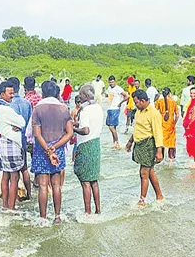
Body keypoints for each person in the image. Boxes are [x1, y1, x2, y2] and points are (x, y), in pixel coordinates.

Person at [31, 81, 74, 224]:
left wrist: (48, 150)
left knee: (43, 185)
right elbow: (69, 133)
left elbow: (37, 134)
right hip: (58, 149)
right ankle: (57, 216)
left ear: (43, 93)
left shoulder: (38, 108)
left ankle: (43, 218)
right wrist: (55, 147)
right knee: (56, 185)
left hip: (41, 149)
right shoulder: (64, 108)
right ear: (57, 93)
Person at [125, 90, 164, 206]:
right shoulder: (139, 111)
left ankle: (142, 200)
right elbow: (137, 128)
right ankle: (159, 196)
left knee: (143, 173)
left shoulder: (153, 113)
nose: (135, 104)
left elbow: (158, 133)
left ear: (143, 101)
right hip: (139, 144)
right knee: (150, 172)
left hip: (149, 144)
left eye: (136, 102)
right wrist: (130, 142)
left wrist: (159, 151)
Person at [0, 82, 26, 210]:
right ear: (3, 94)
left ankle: (5, 205)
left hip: (2, 143)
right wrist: (17, 125)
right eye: (10, 93)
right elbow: (22, 122)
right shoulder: (7, 109)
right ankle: (11, 207)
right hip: (11, 144)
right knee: (14, 177)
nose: (12, 95)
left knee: (5, 176)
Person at [73, 85, 103, 215]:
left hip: (85, 146)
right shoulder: (98, 107)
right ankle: (98, 210)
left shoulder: (85, 110)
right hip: (96, 144)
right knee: (94, 181)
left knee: (85, 182)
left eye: (80, 95)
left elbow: (85, 130)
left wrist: (72, 128)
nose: (79, 98)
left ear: (85, 96)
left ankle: (87, 213)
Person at [8, 77, 33, 201]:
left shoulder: (8, 104)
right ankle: (29, 195)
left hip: (12, 141)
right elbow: (29, 123)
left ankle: (14, 199)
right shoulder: (27, 103)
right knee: (24, 169)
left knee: (13, 173)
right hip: (23, 140)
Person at [155, 87, 179, 166]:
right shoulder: (173, 102)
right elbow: (177, 115)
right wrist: (174, 123)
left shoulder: (159, 101)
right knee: (171, 144)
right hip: (171, 125)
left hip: (162, 125)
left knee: (162, 142)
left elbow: (155, 112)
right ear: (169, 94)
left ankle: (161, 159)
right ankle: (170, 162)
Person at [106, 76, 128, 149]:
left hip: (115, 109)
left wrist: (120, 103)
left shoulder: (118, 88)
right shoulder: (109, 88)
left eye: (112, 82)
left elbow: (127, 96)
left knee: (111, 127)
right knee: (113, 127)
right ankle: (114, 143)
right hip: (110, 108)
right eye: (110, 82)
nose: (111, 83)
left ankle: (117, 142)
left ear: (115, 81)